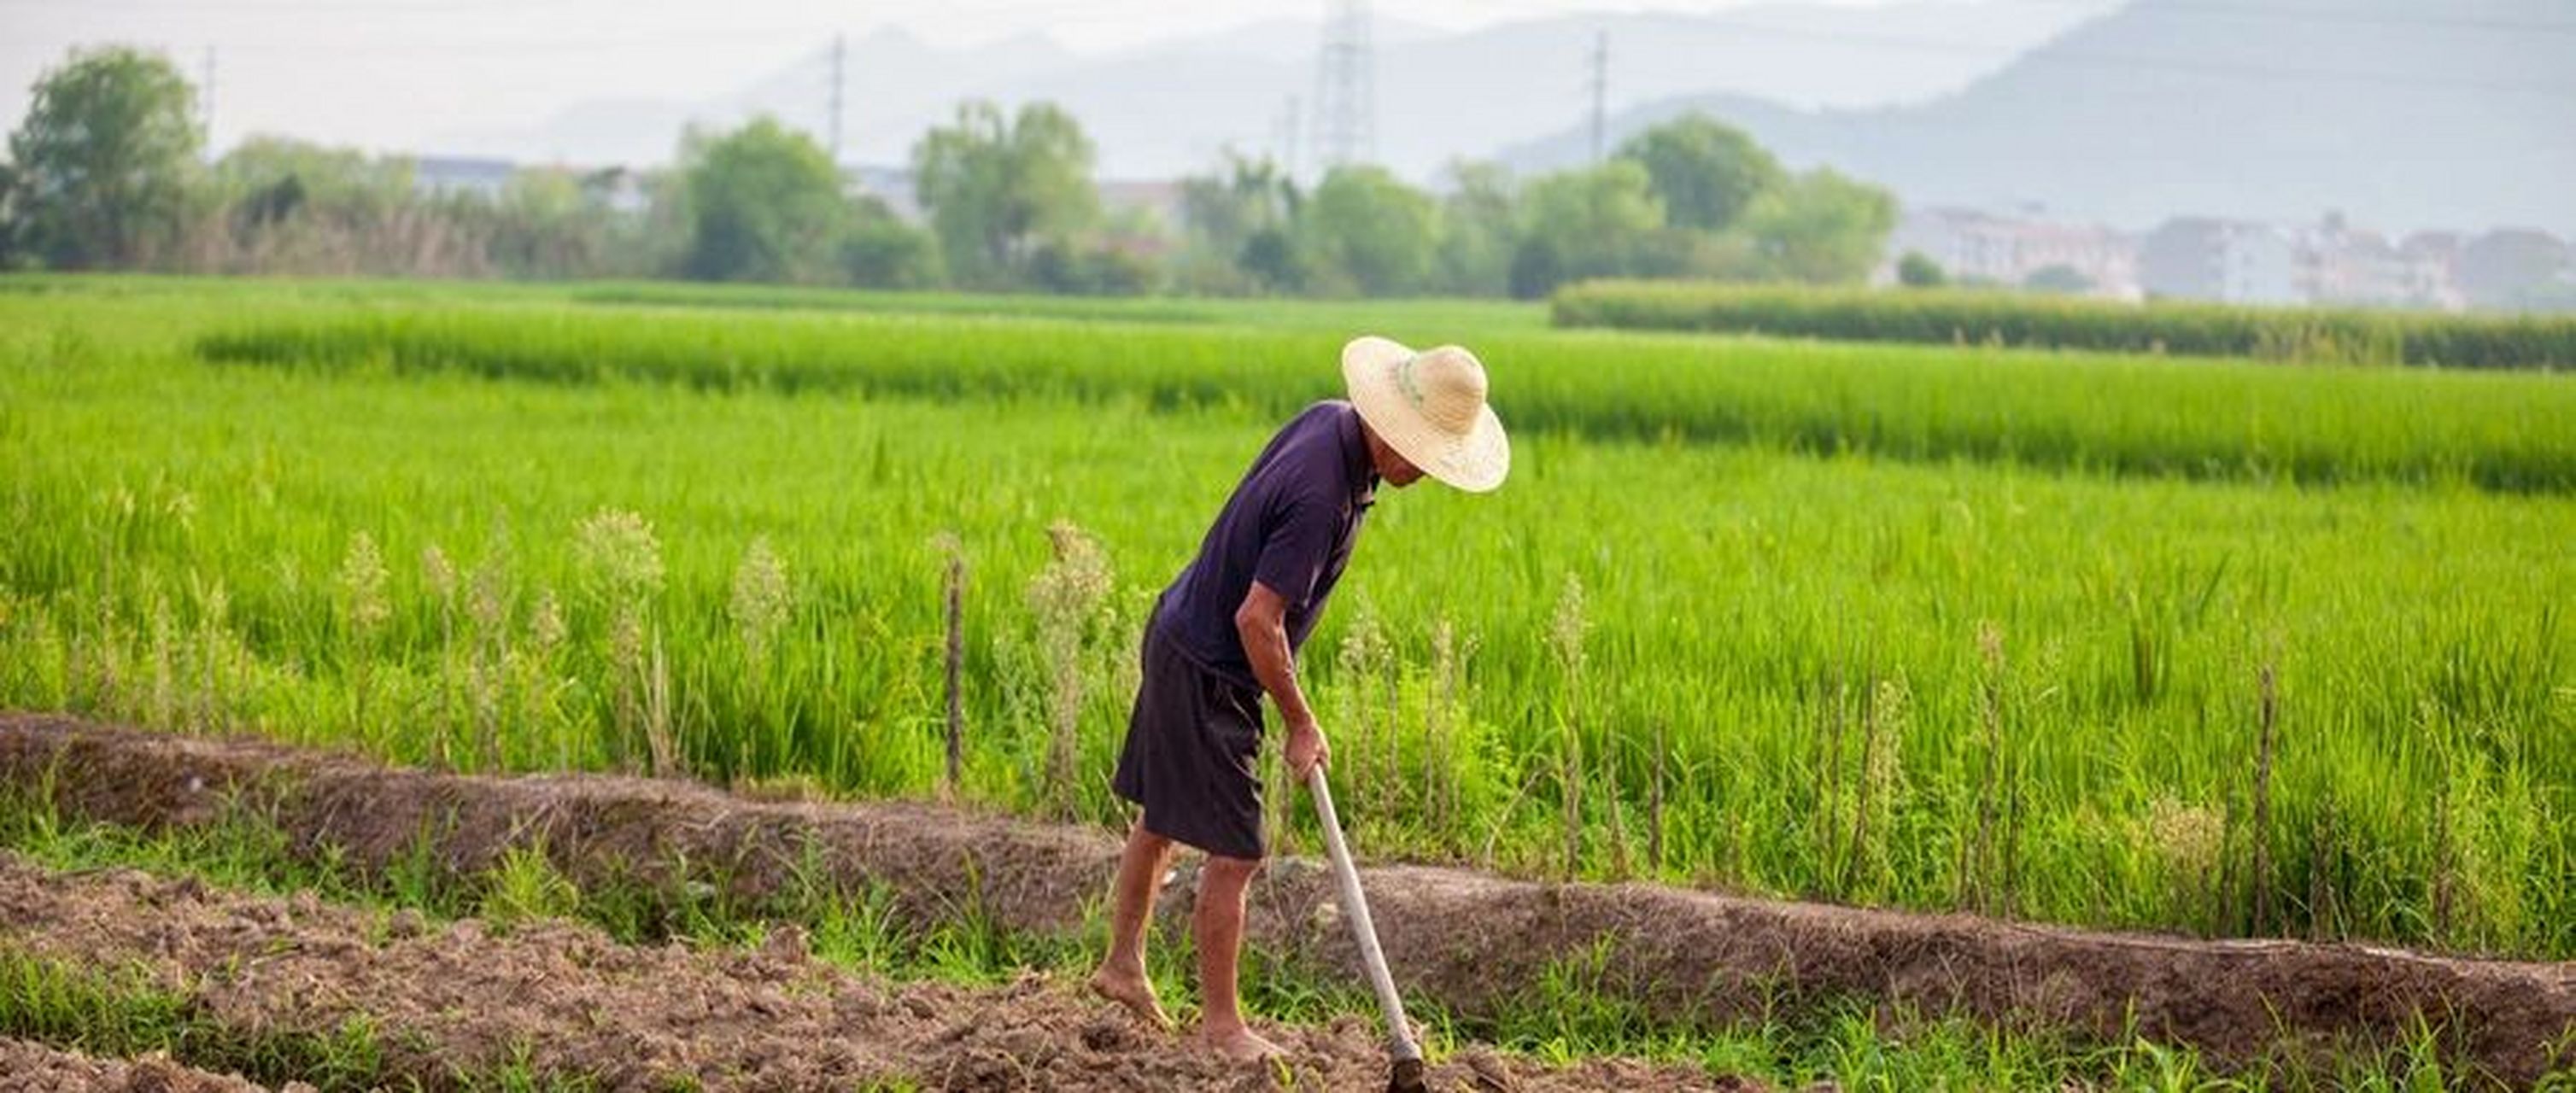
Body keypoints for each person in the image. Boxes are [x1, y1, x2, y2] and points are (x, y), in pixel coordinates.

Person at [1086, 335, 1509, 1061]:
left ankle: (1122, 966)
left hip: (1180, 630)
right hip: (1212, 669)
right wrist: (1300, 722)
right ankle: (1222, 1029)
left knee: (1161, 817)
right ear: (1394, 429)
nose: (1427, 474)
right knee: (1237, 851)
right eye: (1427, 457)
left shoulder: (1329, 422)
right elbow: (1258, 620)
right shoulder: (1322, 495)